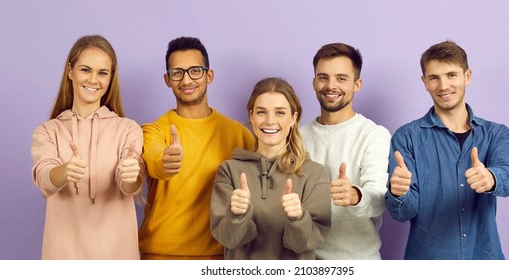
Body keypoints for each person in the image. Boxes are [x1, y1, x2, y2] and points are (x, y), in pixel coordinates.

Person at [385, 40, 509, 259]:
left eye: (451, 75)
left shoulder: (497, 134)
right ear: (424, 82)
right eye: (434, 78)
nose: (443, 86)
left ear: (467, 76)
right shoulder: (406, 137)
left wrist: (492, 178)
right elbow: (403, 213)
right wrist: (398, 192)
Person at [138, 36, 255, 260]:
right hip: (159, 257)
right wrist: (164, 161)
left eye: (195, 71)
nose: (186, 80)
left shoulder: (240, 135)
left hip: (219, 257)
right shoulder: (154, 131)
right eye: (177, 72)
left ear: (209, 75)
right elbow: (154, 159)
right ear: (167, 80)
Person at [31, 35, 144, 259]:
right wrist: (64, 171)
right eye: (85, 70)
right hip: (63, 256)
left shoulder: (128, 129)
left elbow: (129, 184)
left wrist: (132, 175)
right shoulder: (47, 131)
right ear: (70, 71)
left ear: (111, 78)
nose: (93, 79)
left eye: (103, 73)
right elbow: (44, 178)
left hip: (118, 257)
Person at [210, 77, 331, 260]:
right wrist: (237, 216)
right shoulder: (229, 171)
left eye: (280, 113)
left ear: (293, 118)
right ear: (251, 116)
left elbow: (305, 243)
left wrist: (298, 218)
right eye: (261, 112)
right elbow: (229, 240)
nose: (270, 121)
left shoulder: (315, 174)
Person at [300, 43, 391, 260]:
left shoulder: (374, 135)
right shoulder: (297, 137)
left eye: (341, 78)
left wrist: (354, 196)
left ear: (356, 84)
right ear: (314, 82)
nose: (331, 86)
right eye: (323, 77)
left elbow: (379, 199)